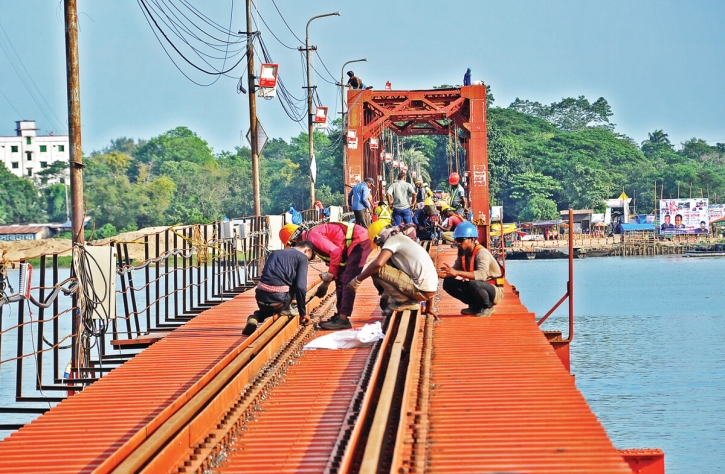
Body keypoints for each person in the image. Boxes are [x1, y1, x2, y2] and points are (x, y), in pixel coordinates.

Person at [280, 221, 371, 330]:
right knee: (341, 278)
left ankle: (343, 319)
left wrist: (327, 280)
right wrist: (330, 278)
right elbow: (337, 260)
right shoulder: (311, 239)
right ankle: (340, 315)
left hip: (359, 241)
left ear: (295, 241)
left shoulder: (312, 237)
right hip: (354, 241)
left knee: (347, 280)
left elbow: (336, 252)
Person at [348, 220, 438, 318]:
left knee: (376, 269)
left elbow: (378, 264)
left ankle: (406, 301)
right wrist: (429, 307)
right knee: (386, 263)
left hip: (420, 291)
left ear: (379, 239)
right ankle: (405, 300)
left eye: (378, 244)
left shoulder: (393, 240)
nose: (380, 246)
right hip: (428, 291)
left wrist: (358, 280)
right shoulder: (403, 239)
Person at [242, 241, 315, 336]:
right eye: (309, 258)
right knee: (294, 283)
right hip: (280, 300)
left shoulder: (275, 253)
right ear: (307, 250)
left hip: (260, 296)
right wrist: (303, 313)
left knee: (266, 310)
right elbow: (301, 287)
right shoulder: (302, 257)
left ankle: (254, 317)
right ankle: (286, 310)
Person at [438, 222, 503, 317]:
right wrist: (441, 275)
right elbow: (454, 271)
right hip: (478, 286)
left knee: (474, 283)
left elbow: (482, 275)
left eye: (461, 240)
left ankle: (488, 306)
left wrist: (456, 273)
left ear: (472, 239)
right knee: (448, 283)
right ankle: (475, 305)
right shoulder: (463, 253)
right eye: (456, 240)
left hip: (494, 290)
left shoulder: (482, 253)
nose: (458, 243)